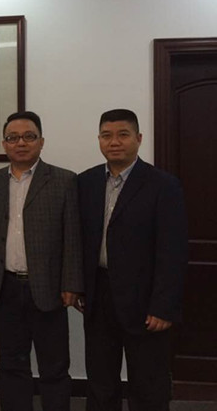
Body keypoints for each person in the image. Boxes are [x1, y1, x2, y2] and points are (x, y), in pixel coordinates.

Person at [78, 109, 188, 411]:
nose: (114, 142)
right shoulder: (86, 182)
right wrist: (80, 287)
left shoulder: (163, 185)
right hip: (99, 296)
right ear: (99, 139)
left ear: (138, 138)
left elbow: (173, 250)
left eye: (123, 135)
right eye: (107, 135)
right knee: (100, 381)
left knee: (148, 383)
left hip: (145, 299)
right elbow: (80, 240)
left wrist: (163, 306)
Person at [0, 111, 83, 411]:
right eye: (13, 138)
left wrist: (71, 282)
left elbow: (73, 236)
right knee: (11, 363)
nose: (21, 143)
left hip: (49, 287)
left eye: (29, 136)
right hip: (6, 287)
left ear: (41, 141)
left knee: (54, 366)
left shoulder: (64, 180)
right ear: (4, 144)